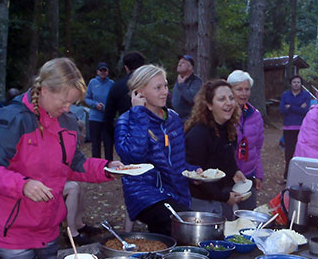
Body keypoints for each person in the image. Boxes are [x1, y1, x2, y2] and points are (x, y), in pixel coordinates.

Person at [0, 58, 122, 259]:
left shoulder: (67, 122)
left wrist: (107, 169)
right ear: (43, 90)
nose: (68, 108)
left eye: (72, 103)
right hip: (13, 227)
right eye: (63, 101)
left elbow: (75, 164)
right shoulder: (13, 119)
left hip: (48, 225)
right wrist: (23, 185)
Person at [114, 65, 198, 236]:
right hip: (144, 194)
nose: (165, 92)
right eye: (158, 87)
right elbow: (133, 156)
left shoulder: (172, 118)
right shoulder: (127, 120)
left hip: (175, 192)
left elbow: (177, 160)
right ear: (139, 92)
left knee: (168, 239)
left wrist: (193, 171)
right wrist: (139, 114)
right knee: (181, 228)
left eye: (166, 86)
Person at [185, 80, 246, 218]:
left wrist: (234, 171)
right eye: (221, 99)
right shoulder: (198, 135)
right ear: (209, 105)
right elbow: (198, 178)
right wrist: (225, 197)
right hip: (199, 203)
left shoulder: (229, 129)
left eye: (231, 98)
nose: (229, 103)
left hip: (219, 198)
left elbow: (225, 159)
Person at [227, 70, 264, 210]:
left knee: (247, 218)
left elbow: (258, 148)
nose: (244, 93)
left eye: (247, 89)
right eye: (239, 89)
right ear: (230, 90)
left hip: (248, 176)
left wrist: (259, 174)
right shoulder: (224, 114)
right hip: (227, 177)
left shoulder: (255, 115)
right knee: (227, 220)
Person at [104, 51, 146, 145]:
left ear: (126, 68)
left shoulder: (117, 86)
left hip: (128, 134)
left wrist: (116, 136)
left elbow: (108, 116)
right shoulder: (153, 84)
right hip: (152, 133)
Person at [280, 75, 312, 183]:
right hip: (288, 127)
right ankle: (286, 176)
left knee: (301, 151)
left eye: (298, 82)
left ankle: (300, 177)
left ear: (301, 84)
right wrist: (298, 107)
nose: (296, 84)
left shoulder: (306, 95)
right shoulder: (285, 95)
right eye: (294, 82)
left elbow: (305, 111)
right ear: (291, 83)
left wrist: (290, 107)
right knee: (289, 152)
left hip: (301, 128)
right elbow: (282, 110)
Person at [84, 62, 114, 160]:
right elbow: (87, 98)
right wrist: (95, 105)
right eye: (101, 70)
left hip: (107, 117)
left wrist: (108, 107)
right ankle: (96, 166)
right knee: (95, 144)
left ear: (108, 72)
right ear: (97, 72)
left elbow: (114, 99)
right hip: (95, 117)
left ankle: (109, 165)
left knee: (108, 143)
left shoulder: (111, 84)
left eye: (105, 70)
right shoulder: (92, 83)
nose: (103, 72)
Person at [172, 54, 203, 123]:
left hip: (189, 121)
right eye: (179, 62)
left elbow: (191, 99)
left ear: (190, 67)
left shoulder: (196, 81)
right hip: (176, 120)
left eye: (183, 63)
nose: (179, 64)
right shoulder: (179, 80)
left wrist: (182, 85)